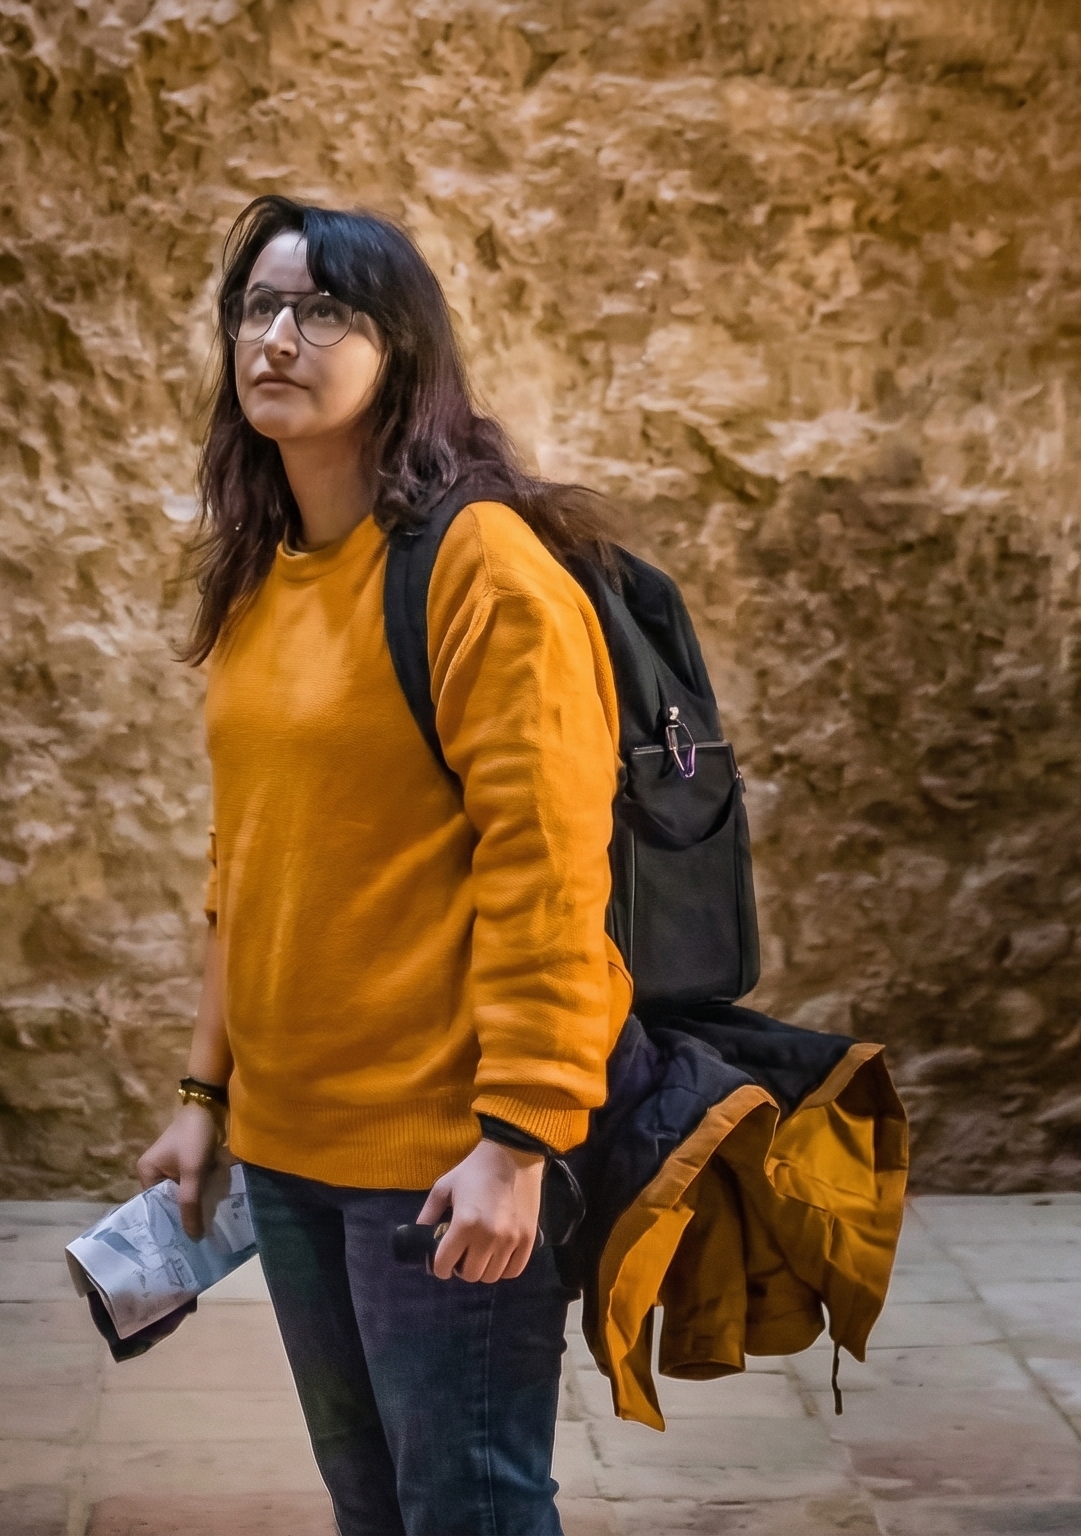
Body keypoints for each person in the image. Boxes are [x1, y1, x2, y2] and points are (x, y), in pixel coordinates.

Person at [135, 194, 630, 1536]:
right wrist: (204, 1094)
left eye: (322, 311)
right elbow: (247, 864)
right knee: (374, 1509)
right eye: (257, 309)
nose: (277, 338)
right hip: (290, 1149)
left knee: (468, 1506)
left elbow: (548, 873)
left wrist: (519, 1144)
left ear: (400, 351)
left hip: (439, 1151)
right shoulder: (264, 574)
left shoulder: (483, 571)